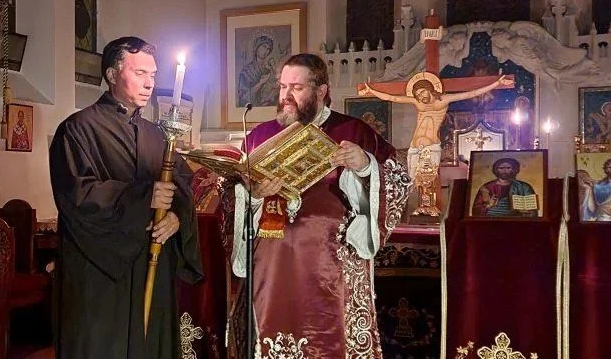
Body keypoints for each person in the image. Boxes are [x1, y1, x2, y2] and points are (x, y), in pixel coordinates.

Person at [220, 53, 411, 358]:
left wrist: (365, 166)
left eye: (296, 87)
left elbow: (398, 179)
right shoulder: (259, 135)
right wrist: (253, 193)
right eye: (282, 87)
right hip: (271, 267)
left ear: (321, 91)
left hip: (330, 267)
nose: (286, 96)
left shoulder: (353, 131)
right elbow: (232, 195)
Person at [49, 36, 202, 358]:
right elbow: (77, 194)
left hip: (152, 264)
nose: (150, 84)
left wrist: (175, 218)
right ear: (112, 74)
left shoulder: (158, 134)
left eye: (153, 75)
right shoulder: (77, 129)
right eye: (140, 73)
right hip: (101, 274)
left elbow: (185, 187)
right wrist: (144, 197)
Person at [360, 72, 513, 180]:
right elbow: (392, 97)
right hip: (415, 145)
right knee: (413, 181)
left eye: (422, 93)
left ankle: (428, 209)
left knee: (428, 181)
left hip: (432, 145)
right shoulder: (416, 101)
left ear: (430, 89)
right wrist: (371, 90)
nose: (421, 97)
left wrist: (496, 83)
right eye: (418, 95)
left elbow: (470, 93)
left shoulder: (444, 100)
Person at [471, 157, 538, 217]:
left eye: (508, 168)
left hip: (516, 221)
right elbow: (476, 210)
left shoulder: (524, 187)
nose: (504, 171)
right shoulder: (486, 187)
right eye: (501, 168)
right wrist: (488, 206)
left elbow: (532, 211)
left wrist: (524, 211)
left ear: (514, 170)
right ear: (496, 170)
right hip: (491, 220)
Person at [237, 35, 276, 106]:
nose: (266, 51)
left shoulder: (269, 69)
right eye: (264, 47)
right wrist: (260, 83)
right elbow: (243, 98)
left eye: (268, 49)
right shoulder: (246, 71)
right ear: (257, 47)